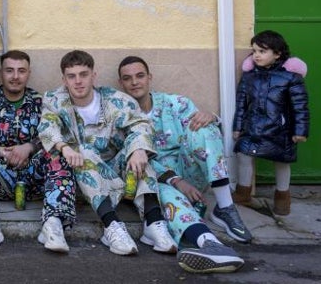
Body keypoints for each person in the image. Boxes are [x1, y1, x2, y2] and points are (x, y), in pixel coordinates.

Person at [37, 50, 177, 257]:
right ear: (64, 80)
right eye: (71, 76)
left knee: (138, 153)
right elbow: (47, 127)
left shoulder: (116, 100)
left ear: (93, 75)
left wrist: (138, 149)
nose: (78, 81)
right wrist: (65, 148)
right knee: (82, 151)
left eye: (83, 74)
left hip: (117, 171)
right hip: (84, 182)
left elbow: (140, 124)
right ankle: (112, 226)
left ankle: (153, 222)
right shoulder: (54, 100)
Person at [118, 56, 248, 273]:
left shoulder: (175, 103)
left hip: (190, 170)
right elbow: (130, 157)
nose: (135, 82)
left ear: (149, 77)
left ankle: (225, 206)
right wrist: (175, 180)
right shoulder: (122, 117)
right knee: (164, 195)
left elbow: (206, 136)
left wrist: (211, 117)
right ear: (121, 84)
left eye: (140, 76)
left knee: (204, 128)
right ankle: (209, 243)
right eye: (127, 78)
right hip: (160, 179)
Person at [0, 50, 77, 252]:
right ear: (1, 73)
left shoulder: (42, 103)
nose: (15, 76)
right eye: (10, 70)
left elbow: (55, 134)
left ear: (28, 73)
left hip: (35, 179)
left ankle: (53, 224)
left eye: (21, 71)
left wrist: (29, 147)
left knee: (60, 152)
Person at [232, 30, 310, 216]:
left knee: (281, 161)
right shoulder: (249, 76)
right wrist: (238, 127)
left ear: (277, 53)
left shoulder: (291, 78)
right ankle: (243, 193)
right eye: (254, 51)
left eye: (262, 51)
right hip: (253, 128)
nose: (257, 55)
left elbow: (300, 106)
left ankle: (282, 197)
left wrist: (300, 130)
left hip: (280, 130)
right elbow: (241, 103)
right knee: (243, 155)